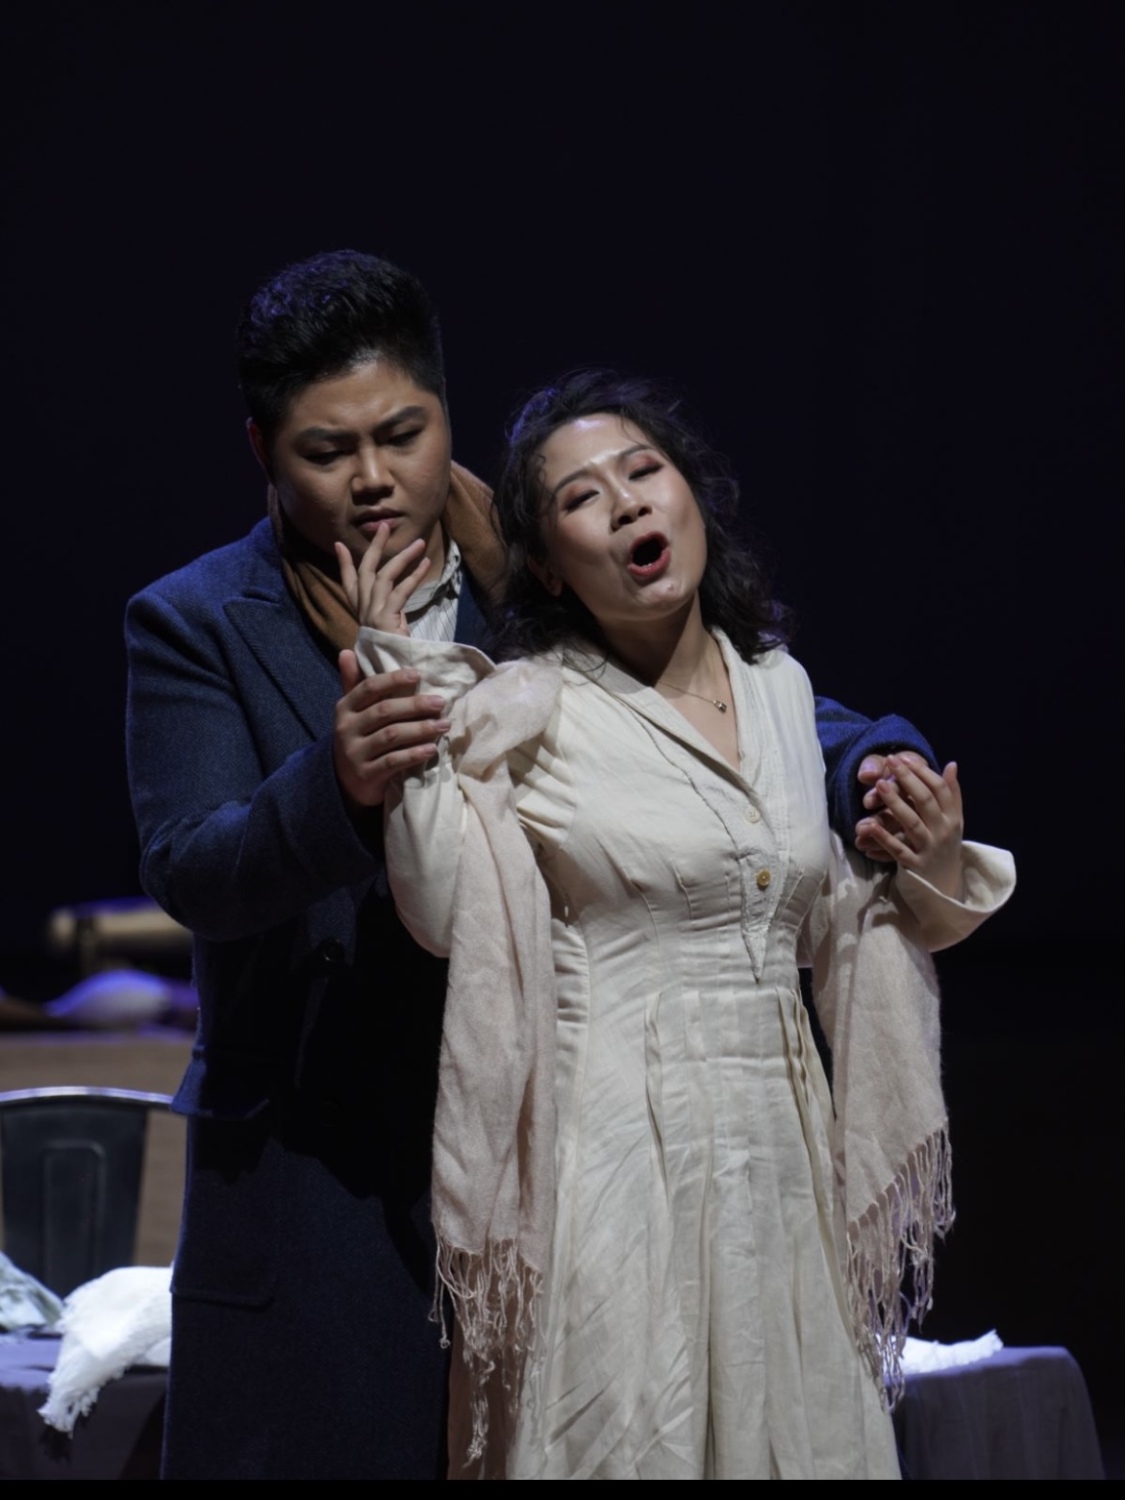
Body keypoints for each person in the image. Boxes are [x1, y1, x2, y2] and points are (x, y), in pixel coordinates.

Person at [125, 252, 939, 1480]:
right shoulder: (195, 620)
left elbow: (718, 711)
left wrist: (875, 756)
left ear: (445, 410)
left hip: (557, 1151)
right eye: (327, 451)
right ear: (263, 450)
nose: (373, 477)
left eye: (402, 435)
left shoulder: (539, 575)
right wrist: (335, 786)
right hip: (324, 1181)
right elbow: (191, 865)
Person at [346, 369, 1016, 1479]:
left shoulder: (782, 691)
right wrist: (401, 665)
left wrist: (931, 858)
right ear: (548, 566)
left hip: (778, 1166)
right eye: (580, 497)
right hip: (610, 1163)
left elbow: (832, 921)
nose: (624, 503)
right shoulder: (531, 706)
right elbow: (442, 910)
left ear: (692, 497)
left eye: (643, 471)